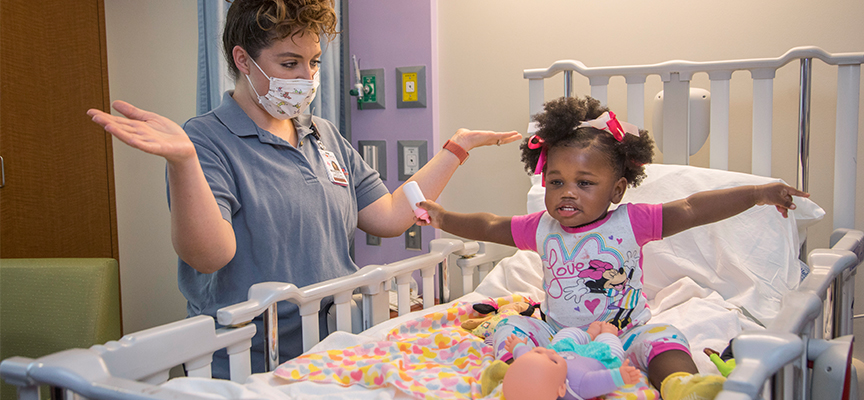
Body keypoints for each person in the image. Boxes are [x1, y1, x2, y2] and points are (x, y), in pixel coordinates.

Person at [87, 0, 520, 378]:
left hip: (331, 345)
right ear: (243, 59)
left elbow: (388, 216)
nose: (307, 76)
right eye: (289, 63)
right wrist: (182, 162)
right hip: (250, 359)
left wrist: (456, 149)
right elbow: (208, 256)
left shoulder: (323, 134)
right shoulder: (206, 140)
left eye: (313, 62)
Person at [415, 95, 808, 400]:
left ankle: (678, 384)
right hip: (555, 337)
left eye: (584, 183)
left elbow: (693, 208)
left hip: (625, 333)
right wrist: (443, 217)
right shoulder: (540, 228)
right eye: (556, 182)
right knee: (511, 325)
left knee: (666, 336)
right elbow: (489, 224)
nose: (567, 193)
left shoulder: (632, 222)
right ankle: (509, 374)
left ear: (616, 189)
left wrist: (758, 192)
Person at [496, 318, 641, 400]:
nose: (550, 353)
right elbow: (601, 381)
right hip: (598, 358)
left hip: (566, 350)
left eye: (539, 352)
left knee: (566, 333)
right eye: (553, 361)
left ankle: (588, 335)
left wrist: (517, 346)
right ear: (561, 388)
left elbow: (524, 356)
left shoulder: (551, 357)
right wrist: (621, 376)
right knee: (611, 347)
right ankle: (608, 333)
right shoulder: (578, 386)